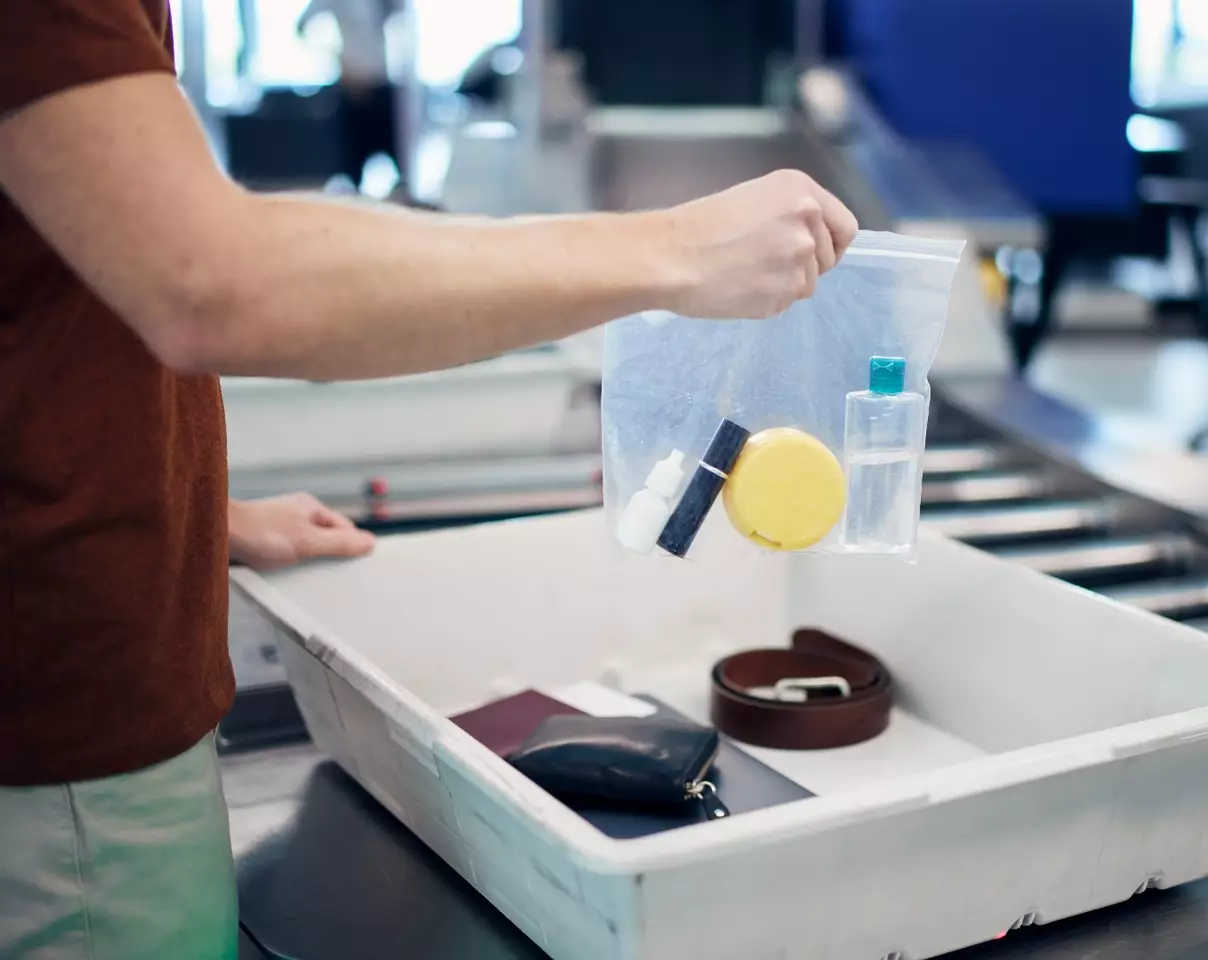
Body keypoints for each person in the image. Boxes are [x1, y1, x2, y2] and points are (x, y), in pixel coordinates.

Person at [0, 1, 859, 957]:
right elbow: (206, 278)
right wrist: (672, 251)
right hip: (58, 757)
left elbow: (53, 289)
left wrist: (189, 501)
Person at [296, 0, 403, 192]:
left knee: (402, 174)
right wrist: (337, 58)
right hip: (353, 89)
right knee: (351, 175)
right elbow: (303, 26)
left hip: (386, 88)